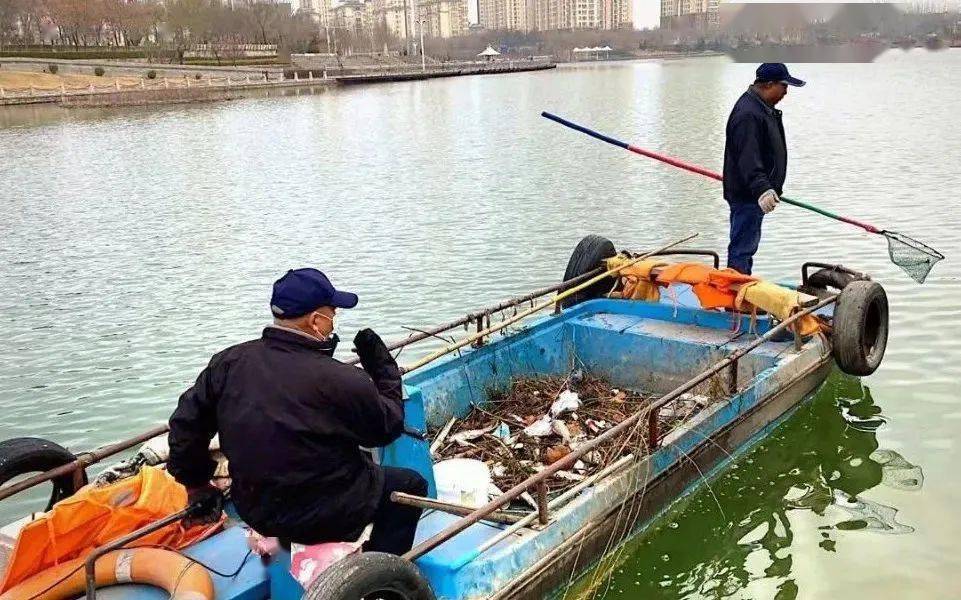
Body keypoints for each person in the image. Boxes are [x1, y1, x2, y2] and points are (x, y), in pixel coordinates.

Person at [167, 268, 428, 555]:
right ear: (316, 320)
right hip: (321, 512)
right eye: (333, 315)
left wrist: (196, 484)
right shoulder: (341, 379)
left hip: (255, 508)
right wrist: (384, 371)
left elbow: (185, 426)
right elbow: (386, 428)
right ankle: (379, 576)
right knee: (409, 487)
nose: (333, 323)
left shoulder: (227, 363)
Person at [723, 62, 806, 275]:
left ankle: (741, 290)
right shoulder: (748, 114)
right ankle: (735, 299)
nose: (786, 92)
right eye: (784, 86)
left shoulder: (762, 109)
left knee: (747, 245)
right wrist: (762, 188)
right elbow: (747, 157)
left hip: (754, 193)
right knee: (742, 248)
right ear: (769, 85)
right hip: (748, 195)